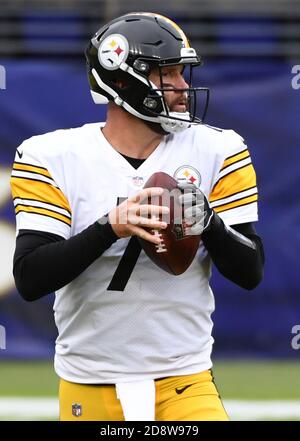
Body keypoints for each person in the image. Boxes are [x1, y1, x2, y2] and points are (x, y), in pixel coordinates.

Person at [10, 12, 264, 421]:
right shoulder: (51, 157)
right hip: (89, 383)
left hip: (185, 379)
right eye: (171, 75)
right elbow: (31, 277)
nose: (184, 88)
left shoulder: (219, 150)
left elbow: (250, 271)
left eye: (183, 75)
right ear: (124, 80)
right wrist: (111, 227)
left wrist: (209, 222)